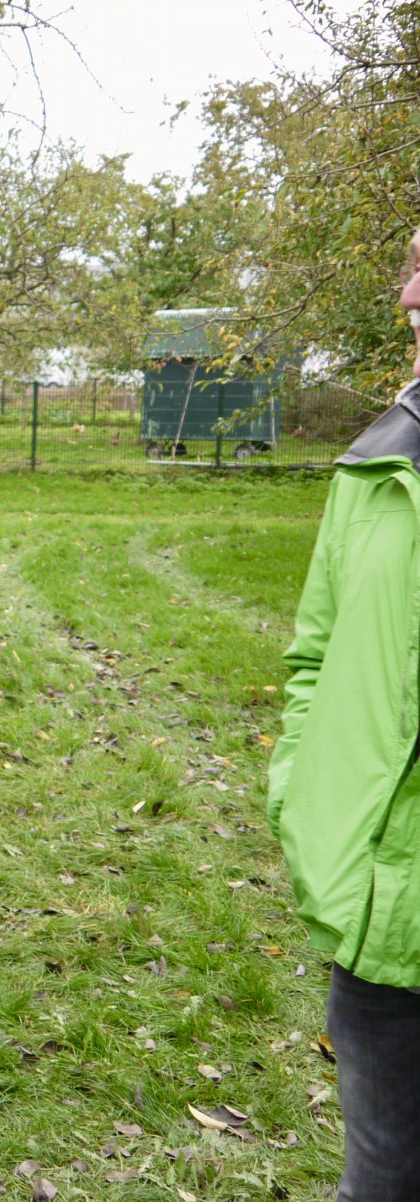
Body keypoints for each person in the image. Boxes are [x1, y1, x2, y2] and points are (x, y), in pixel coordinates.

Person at [270, 223, 420, 1202]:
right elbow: (313, 657)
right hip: (376, 914)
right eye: (414, 267)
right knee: (381, 1176)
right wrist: (303, 793)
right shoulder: (377, 465)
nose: (410, 297)